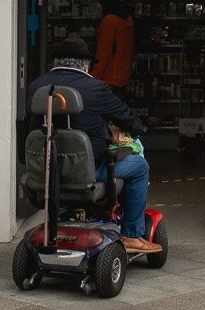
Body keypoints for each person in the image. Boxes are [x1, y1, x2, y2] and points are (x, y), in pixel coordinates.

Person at [27, 37, 161, 252]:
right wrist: (138, 128)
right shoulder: (95, 88)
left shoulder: (36, 86)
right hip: (89, 171)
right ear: (85, 65)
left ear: (57, 62)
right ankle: (131, 235)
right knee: (139, 166)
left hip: (45, 171)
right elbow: (125, 116)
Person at [90, 0, 135, 95]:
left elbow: (104, 53)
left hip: (108, 78)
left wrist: (93, 77)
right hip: (122, 77)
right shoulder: (128, 20)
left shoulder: (109, 22)